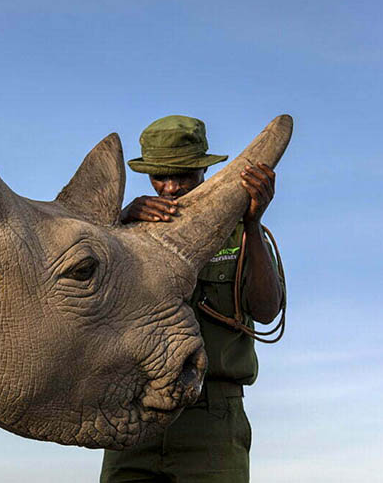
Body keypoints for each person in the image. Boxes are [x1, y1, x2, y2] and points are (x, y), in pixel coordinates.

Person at [100, 115, 285, 483]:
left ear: (203, 169)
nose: (170, 188)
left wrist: (250, 223)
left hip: (213, 419)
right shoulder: (130, 232)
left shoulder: (242, 231)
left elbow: (266, 312)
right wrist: (117, 228)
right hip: (135, 413)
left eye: (182, 175)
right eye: (159, 177)